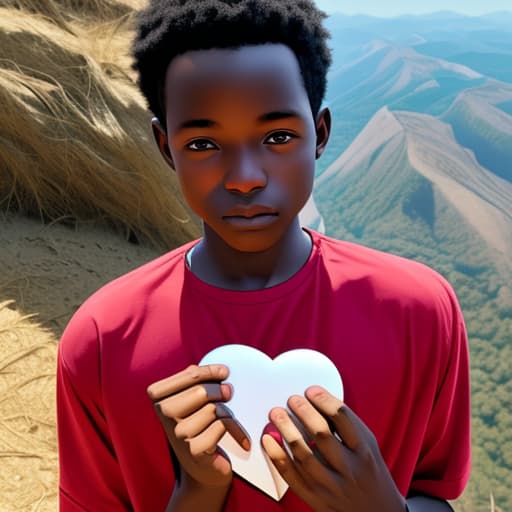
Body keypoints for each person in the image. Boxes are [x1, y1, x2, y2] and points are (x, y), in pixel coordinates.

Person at [56, 1, 471, 511]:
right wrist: (196, 494)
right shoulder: (102, 340)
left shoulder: (421, 312)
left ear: (319, 134)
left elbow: (435, 493)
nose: (245, 176)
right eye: (204, 142)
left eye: (278, 137)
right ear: (166, 148)